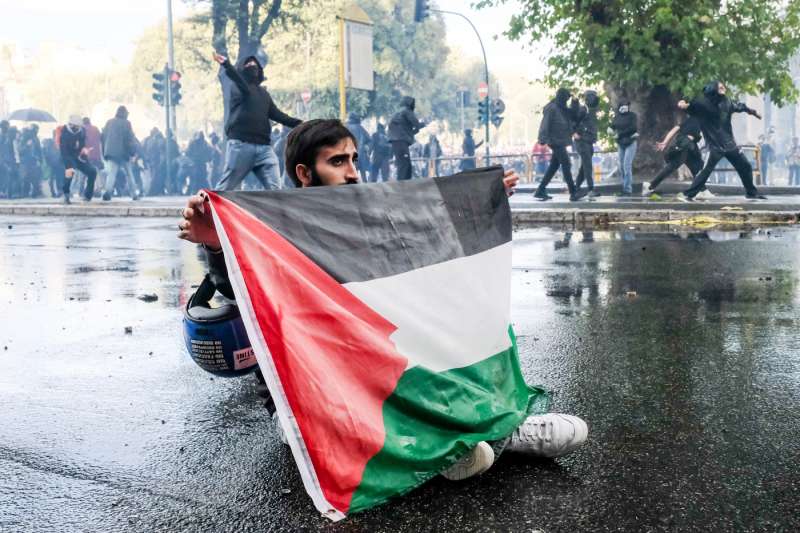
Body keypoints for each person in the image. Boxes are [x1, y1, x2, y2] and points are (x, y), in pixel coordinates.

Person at [177, 118, 589, 482]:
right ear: (304, 173)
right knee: (342, 431)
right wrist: (215, 244)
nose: (353, 173)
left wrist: (478, 200)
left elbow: (422, 237)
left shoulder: (365, 215)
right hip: (306, 394)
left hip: (371, 365)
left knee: (434, 363)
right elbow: (241, 289)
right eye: (338, 162)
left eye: (354, 159)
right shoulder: (270, 228)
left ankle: (499, 430)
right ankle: (456, 449)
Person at [212, 51, 302, 191]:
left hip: (265, 149)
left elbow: (278, 115)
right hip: (241, 146)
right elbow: (240, 82)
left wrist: (302, 124)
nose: (252, 66)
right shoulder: (238, 87)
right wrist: (226, 65)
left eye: (255, 64)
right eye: (248, 64)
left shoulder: (264, 94)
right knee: (225, 188)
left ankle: (275, 213)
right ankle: (205, 209)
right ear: (242, 68)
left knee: (276, 190)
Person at [677, 81, 765, 201]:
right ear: (713, 89)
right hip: (715, 146)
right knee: (705, 171)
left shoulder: (727, 103)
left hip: (730, 145)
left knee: (745, 166)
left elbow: (741, 106)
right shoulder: (702, 104)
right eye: (720, 86)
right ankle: (688, 195)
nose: (724, 87)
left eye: (724, 86)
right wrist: (683, 105)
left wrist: (754, 112)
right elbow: (690, 107)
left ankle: (751, 193)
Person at [534, 88, 586, 202]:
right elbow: (545, 124)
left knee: (554, 166)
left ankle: (540, 190)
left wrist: (575, 101)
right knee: (566, 163)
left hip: (560, 140)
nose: (566, 101)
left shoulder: (562, 108)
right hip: (554, 140)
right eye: (566, 98)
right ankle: (573, 192)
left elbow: (574, 115)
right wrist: (542, 138)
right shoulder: (552, 108)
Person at [642, 112, 705, 197]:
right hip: (685, 143)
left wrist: (665, 142)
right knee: (674, 165)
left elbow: (675, 129)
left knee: (696, 167)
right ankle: (650, 186)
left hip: (689, 145)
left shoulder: (690, 119)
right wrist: (664, 142)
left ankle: (702, 190)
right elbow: (676, 129)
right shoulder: (697, 118)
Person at [101, 105, 140, 201]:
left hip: (111, 152)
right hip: (123, 153)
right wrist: (132, 152)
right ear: (125, 114)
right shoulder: (127, 123)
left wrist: (105, 151)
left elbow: (103, 137)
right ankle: (134, 193)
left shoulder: (109, 122)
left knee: (112, 173)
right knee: (129, 173)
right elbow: (129, 139)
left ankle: (108, 192)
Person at [59, 115, 98, 204]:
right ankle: (66, 194)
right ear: (70, 125)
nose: (76, 129)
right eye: (74, 126)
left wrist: (84, 150)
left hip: (79, 157)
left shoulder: (82, 131)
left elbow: (82, 144)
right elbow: (64, 151)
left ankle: (88, 195)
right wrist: (69, 165)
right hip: (68, 156)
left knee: (92, 171)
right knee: (70, 172)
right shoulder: (64, 132)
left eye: (78, 127)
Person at [388, 96, 425, 181]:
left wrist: (417, 128)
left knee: (404, 164)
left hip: (395, 141)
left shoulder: (397, 113)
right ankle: (402, 185)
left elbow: (407, 130)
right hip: (401, 141)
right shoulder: (407, 111)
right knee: (404, 165)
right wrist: (424, 124)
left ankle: (403, 184)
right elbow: (416, 124)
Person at [573, 90, 601, 198]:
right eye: (593, 96)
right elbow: (572, 121)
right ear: (588, 98)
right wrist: (574, 132)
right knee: (588, 166)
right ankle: (591, 189)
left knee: (584, 168)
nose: (595, 98)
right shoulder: (583, 109)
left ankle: (576, 187)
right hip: (582, 142)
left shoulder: (591, 110)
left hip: (589, 141)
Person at [610, 101, 638, 196]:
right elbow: (612, 126)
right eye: (622, 106)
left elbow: (633, 128)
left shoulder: (632, 116)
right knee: (622, 166)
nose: (624, 108)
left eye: (626, 106)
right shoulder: (617, 117)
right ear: (619, 107)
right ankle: (624, 187)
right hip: (620, 143)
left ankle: (627, 189)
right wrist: (610, 131)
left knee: (626, 165)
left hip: (631, 142)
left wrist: (620, 134)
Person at [18, 126, 43, 198]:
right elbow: (20, 150)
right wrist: (27, 145)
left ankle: (34, 193)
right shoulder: (24, 139)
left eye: (36, 130)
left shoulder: (36, 139)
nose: (35, 132)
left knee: (35, 177)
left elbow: (39, 150)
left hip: (33, 161)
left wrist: (40, 160)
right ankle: (25, 193)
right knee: (26, 177)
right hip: (25, 161)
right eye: (34, 130)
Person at [345, 113, 372, 179]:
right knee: (363, 173)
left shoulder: (345, 128)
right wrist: (366, 149)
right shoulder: (361, 128)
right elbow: (369, 139)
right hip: (361, 154)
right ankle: (365, 187)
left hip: (350, 154)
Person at [42, 130, 64, 197]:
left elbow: (46, 153)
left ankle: (55, 192)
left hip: (54, 164)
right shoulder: (56, 142)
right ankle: (56, 192)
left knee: (55, 178)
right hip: (56, 164)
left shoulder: (51, 142)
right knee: (57, 178)